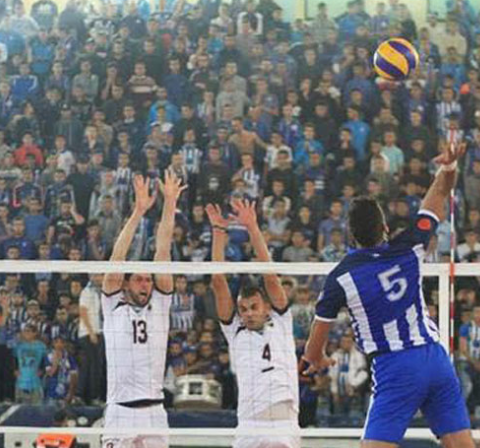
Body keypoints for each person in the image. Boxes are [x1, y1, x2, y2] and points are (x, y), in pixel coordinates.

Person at [302, 142, 474, 447]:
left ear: (350, 234)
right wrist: (448, 167)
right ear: (384, 226)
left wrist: (317, 358)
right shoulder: (409, 245)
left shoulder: (341, 277)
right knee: (461, 444)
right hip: (435, 358)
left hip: (395, 366)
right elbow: (437, 196)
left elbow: (317, 338)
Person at [206, 199, 300, 448]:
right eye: (244, 309)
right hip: (248, 423)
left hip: (282, 423)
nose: (248, 314)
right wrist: (218, 231)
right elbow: (218, 282)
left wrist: (252, 227)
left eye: (254, 307)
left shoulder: (281, 321)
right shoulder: (235, 331)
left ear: (266, 307)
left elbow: (269, 275)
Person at [101, 172, 185, 448]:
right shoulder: (113, 305)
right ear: (126, 283)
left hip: (154, 411)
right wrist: (138, 212)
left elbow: (163, 252)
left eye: (148, 280)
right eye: (138, 279)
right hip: (120, 411)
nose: (145, 284)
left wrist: (169, 203)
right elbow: (117, 259)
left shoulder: (159, 305)